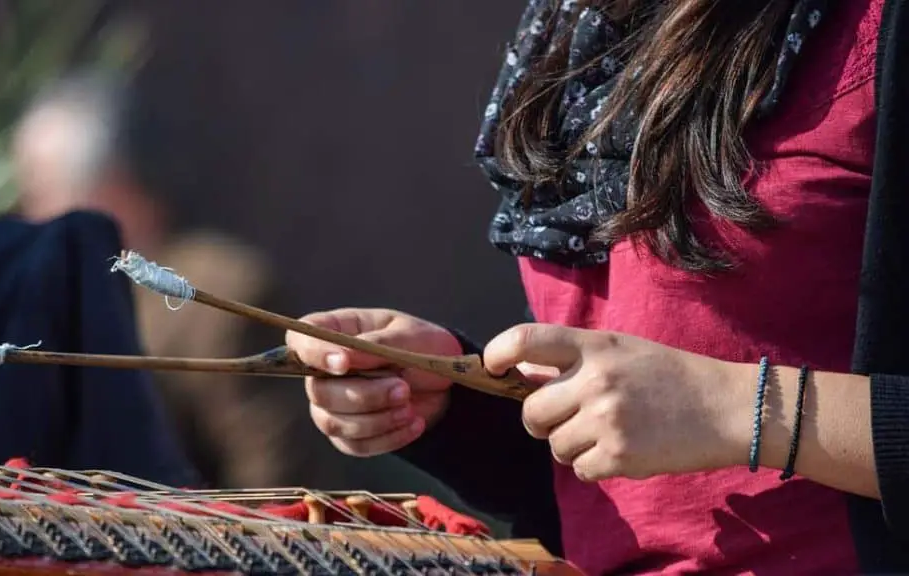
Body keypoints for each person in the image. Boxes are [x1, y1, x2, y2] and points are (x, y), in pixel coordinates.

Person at [286, 0, 909, 573]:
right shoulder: (579, 28)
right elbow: (633, 478)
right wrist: (460, 398)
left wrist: (732, 406)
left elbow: (700, 410)